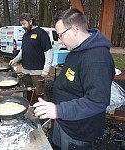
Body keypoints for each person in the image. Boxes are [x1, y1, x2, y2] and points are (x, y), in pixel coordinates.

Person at [33, 8, 115, 150]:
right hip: (63, 121)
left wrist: (58, 110)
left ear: (75, 29)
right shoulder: (76, 50)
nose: (59, 41)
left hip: (78, 130)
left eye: (60, 35)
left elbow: (97, 101)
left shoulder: (97, 59)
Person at [9, 13, 53, 105]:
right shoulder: (25, 35)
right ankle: (30, 109)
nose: (22, 26)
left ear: (30, 21)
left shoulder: (41, 33)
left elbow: (49, 52)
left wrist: (46, 69)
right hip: (26, 71)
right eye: (21, 24)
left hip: (37, 71)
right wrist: (15, 60)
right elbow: (22, 51)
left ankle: (42, 113)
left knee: (39, 94)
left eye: (24, 24)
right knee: (28, 92)